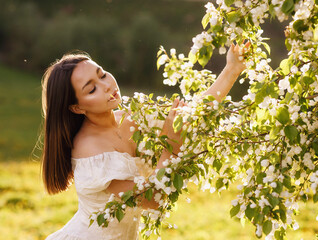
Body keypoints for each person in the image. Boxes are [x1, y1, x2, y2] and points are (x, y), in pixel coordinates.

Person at [42, 43, 249, 240]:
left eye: (102, 74)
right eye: (92, 89)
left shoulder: (132, 117)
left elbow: (192, 115)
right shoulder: (92, 151)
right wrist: (171, 144)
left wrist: (232, 68)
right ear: (77, 108)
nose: (106, 85)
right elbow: (152, 198)